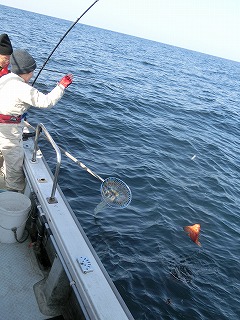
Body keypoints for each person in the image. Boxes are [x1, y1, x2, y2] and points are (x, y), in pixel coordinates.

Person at [0, 49, 73, 192]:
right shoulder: (23, 88)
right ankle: (12, 196)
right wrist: (61, 86)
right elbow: (46, 102)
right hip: (9, 132)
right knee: (14, 168)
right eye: (32, 71)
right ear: (27, 71)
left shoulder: (5, 78)